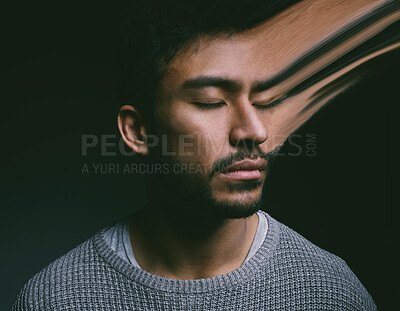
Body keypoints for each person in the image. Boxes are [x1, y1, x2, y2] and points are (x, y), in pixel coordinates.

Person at [12, 0, 379, 310]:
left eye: (264, 100)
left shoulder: (330, 292)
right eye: (211, 102)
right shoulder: (55, 298)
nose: (255, 131)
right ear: (138, 131)